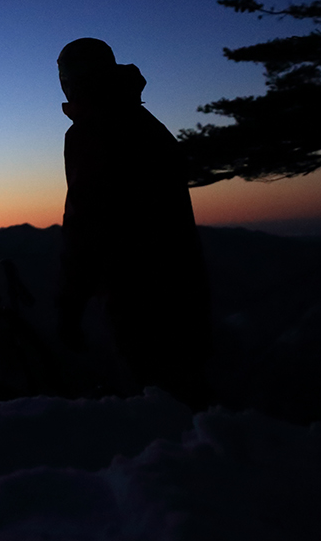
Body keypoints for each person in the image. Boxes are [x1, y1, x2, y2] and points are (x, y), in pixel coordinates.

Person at [54, 38, 211, 409]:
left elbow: (87, 221)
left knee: (160, 400)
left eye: (64, 75)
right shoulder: (143, 123)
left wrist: (69, 307)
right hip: (180, 282)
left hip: (137, 291)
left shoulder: (93, 131)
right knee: (186, 394)